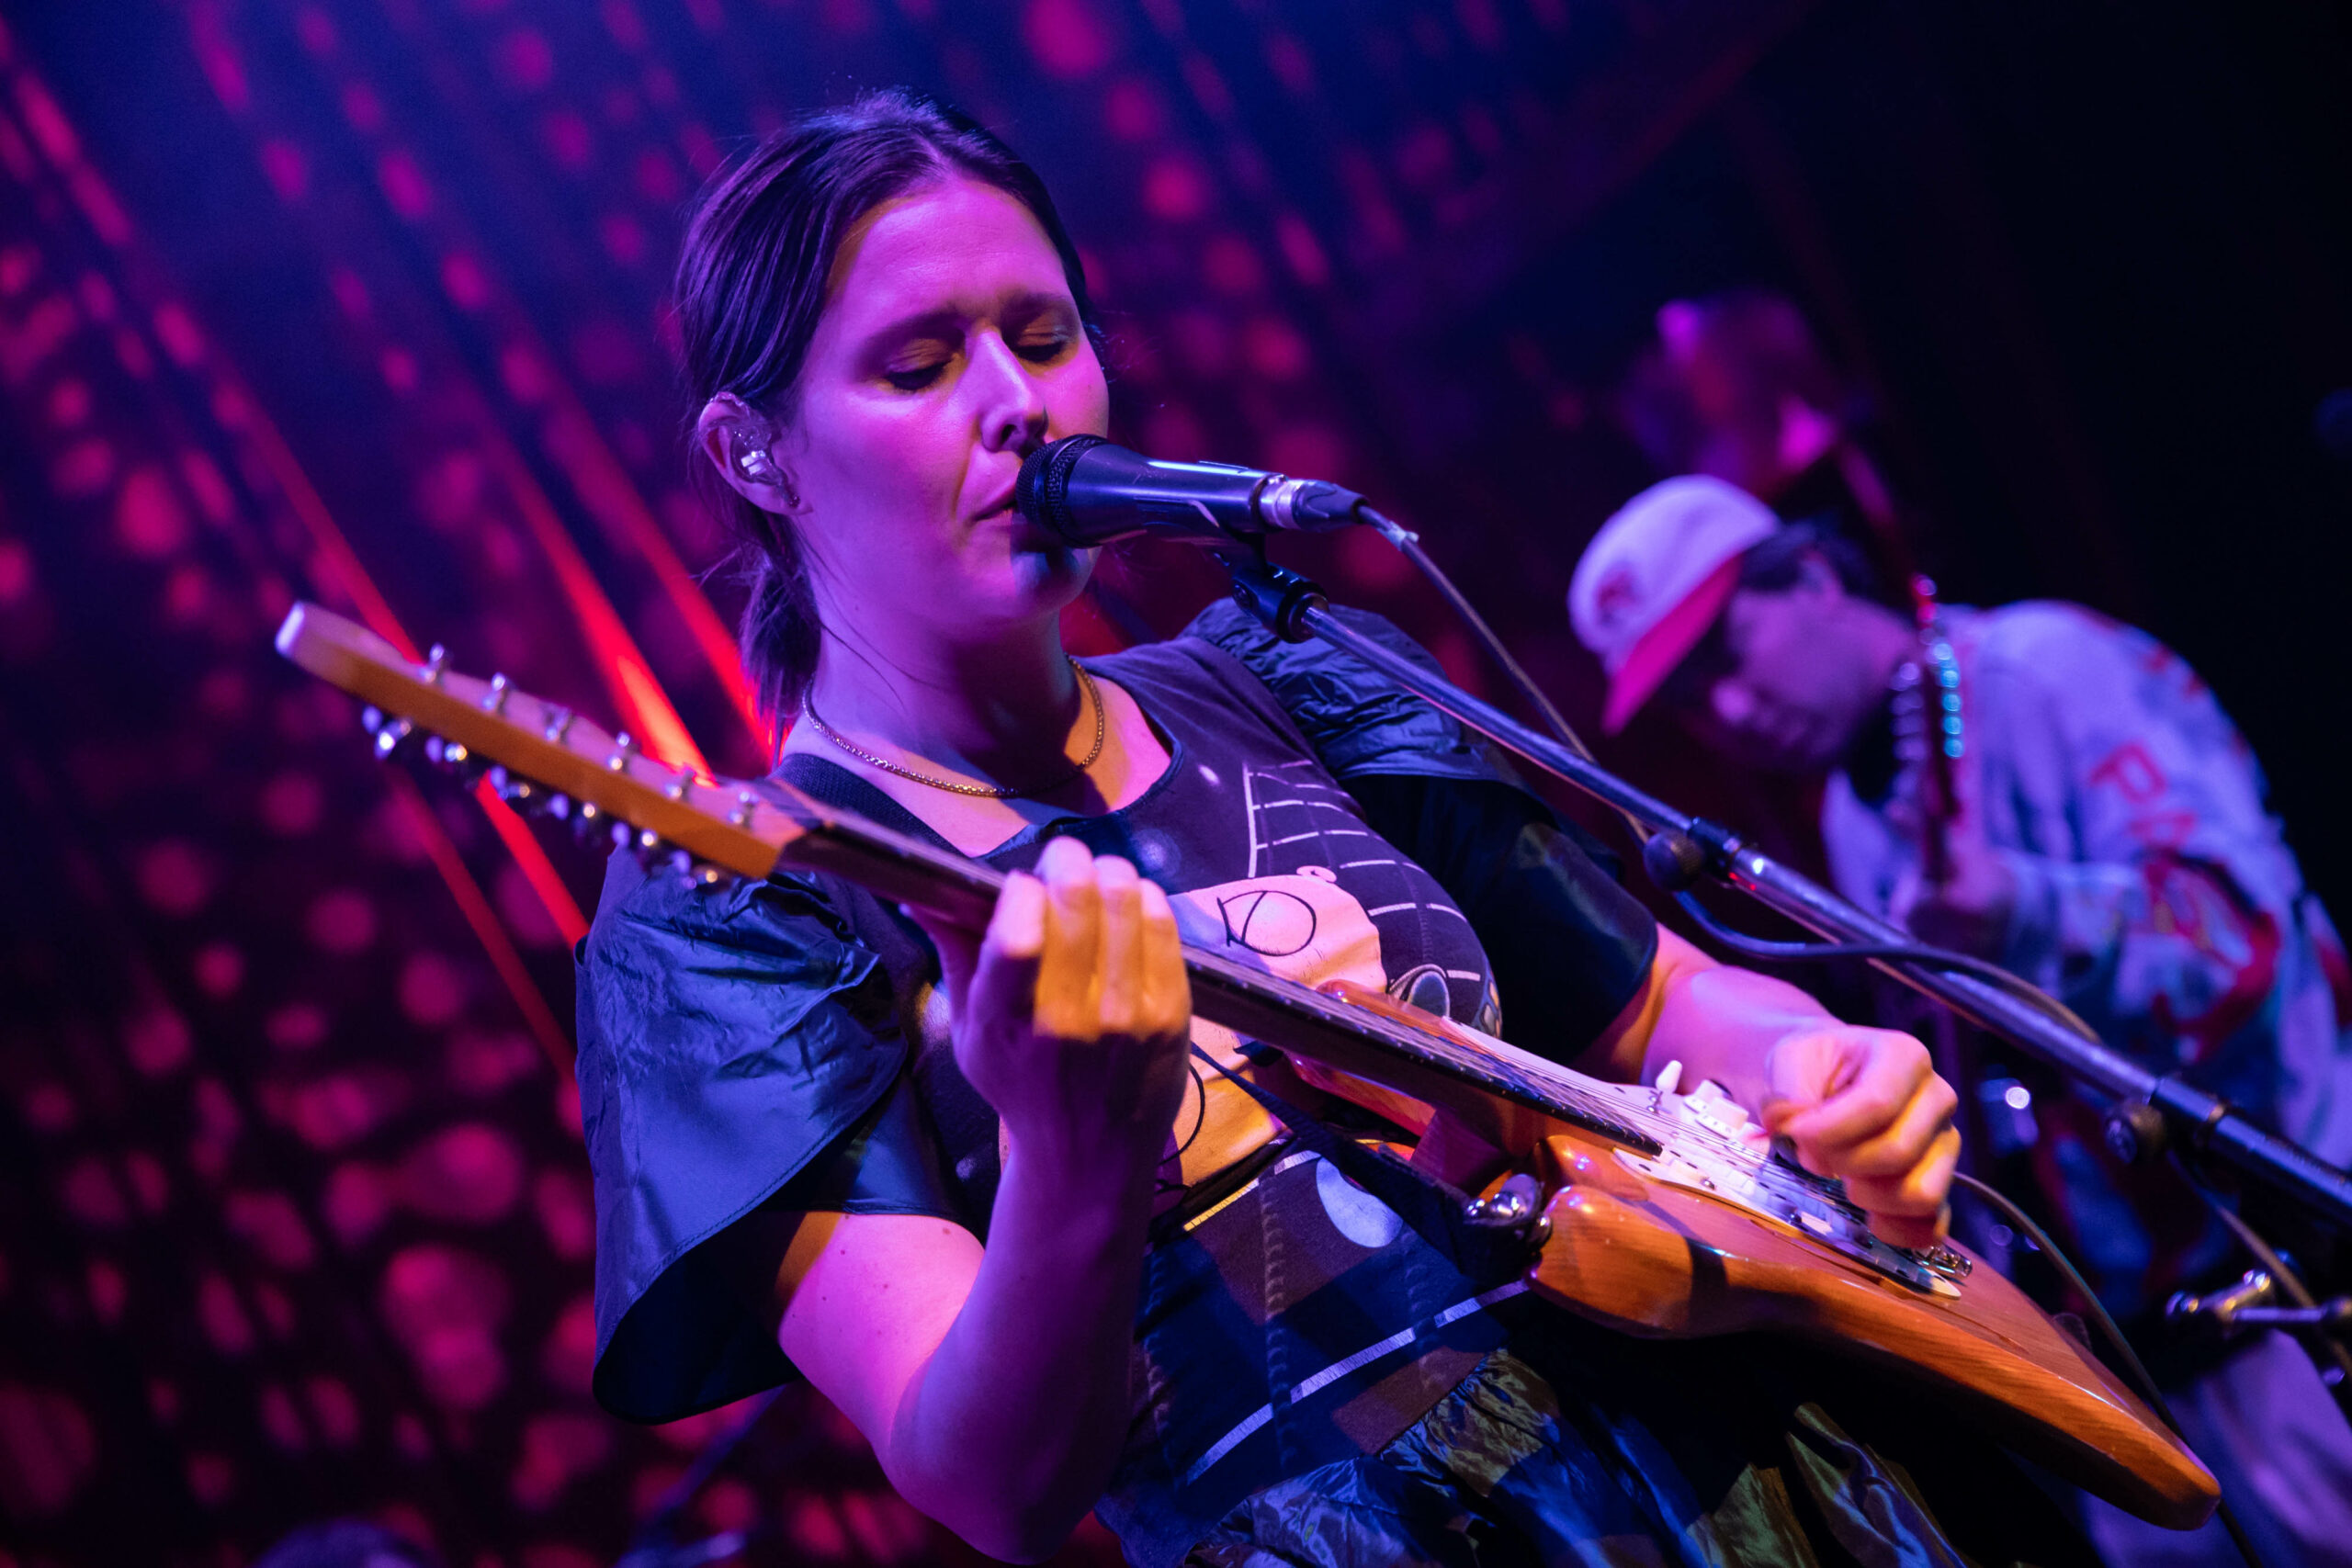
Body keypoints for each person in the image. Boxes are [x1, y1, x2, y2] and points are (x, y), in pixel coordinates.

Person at [576, 93, 2092, 1567]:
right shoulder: (743, 914)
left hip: (1755, 1462)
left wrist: (1819, 1067)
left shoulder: (1291, 677)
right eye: (916, 364)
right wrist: (1071, 1154)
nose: (1018, 403)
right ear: (752, 452)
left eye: (1043, 338)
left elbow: (1660, 996)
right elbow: (994, 1484)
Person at [1568, 467, 2352, 1568]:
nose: (1730, 715)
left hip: (2303, 1294)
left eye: (1727, 658)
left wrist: (2026, 911)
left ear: (1811, 578)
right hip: (2148, 1362)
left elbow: (2253, 940)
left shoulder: (2046, 671)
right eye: (1690, 701)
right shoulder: (1852, 810)